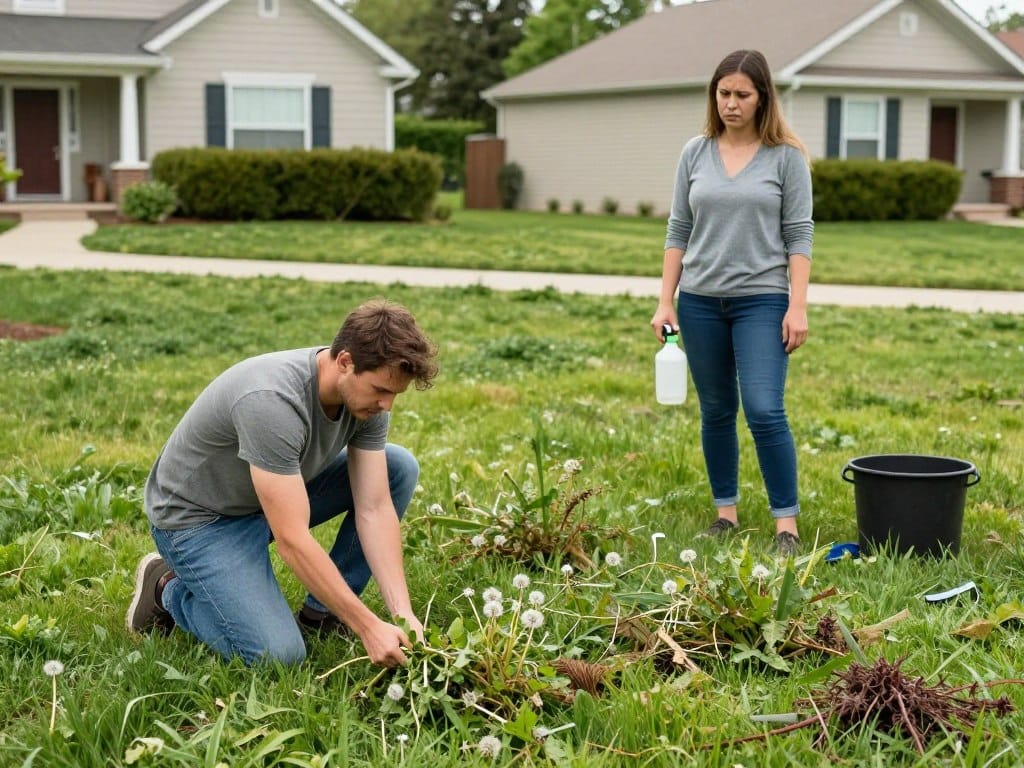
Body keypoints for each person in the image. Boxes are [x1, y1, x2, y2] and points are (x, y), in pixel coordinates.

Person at [126, 299, 438, 666]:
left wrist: (404, 616)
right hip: (199, 521)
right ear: (345, 362)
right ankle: (167, 587)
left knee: (397, 467)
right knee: (277, 656)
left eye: (395, 394)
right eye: (381, 391)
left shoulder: (367, 401)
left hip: (267, 497)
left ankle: (323, 615)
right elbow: (292, 539)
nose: (387, 405)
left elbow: (374, 506)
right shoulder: (271, 402)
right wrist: (369, 627)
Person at [650, 49, 813, 557]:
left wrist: (798, 305)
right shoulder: (695, 153)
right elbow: (679, 228)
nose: (731, 104)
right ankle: (727, 514)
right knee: (717, 409)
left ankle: (786, 525)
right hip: (699, 301)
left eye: (743, 94)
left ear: (763, 97)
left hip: (762, 301)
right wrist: (666, 301)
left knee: (765, 410)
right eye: (724, 93)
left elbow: (798, 235)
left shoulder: (786, 157)